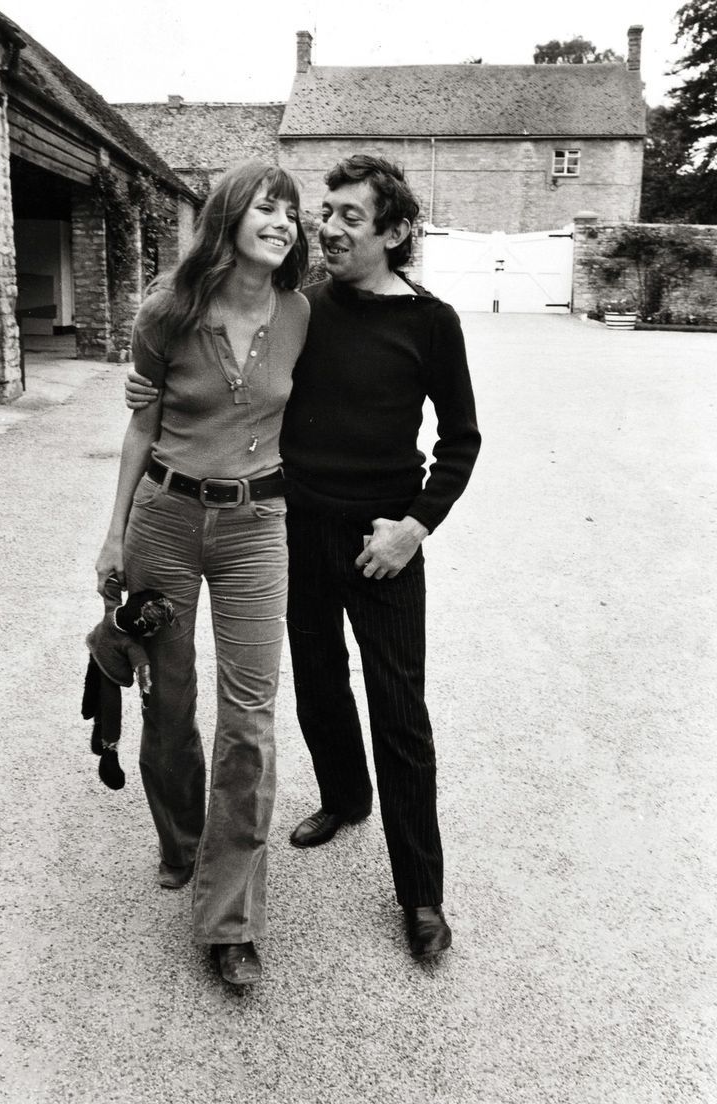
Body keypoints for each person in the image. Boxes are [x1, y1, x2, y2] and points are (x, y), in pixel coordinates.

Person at [126, 154, 481, 962]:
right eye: (330, 212)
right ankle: (345, 798)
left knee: (399, 712)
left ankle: (421, 894)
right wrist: (160, 397)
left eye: (352, 217)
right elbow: (241, 386)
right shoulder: (306, 308)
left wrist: (415, 527)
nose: (329, 228)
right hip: (293, 529)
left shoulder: (432, 322)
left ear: (396, 233)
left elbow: (461, 440)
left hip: (381, 541)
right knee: (318, 683)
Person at [96, 160, 309, 987]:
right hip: (168, 520)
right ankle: (182, 840)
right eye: (268, 206)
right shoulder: (167, 310)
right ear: (228, 216)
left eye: (291, 212)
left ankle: (230, 920)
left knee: (251, 716)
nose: (284, 221)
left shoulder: (300, 312)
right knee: (170, 699)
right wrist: (113, 535)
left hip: (260, 525)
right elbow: (140, 428)